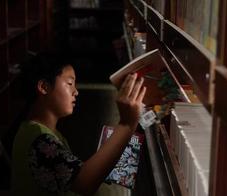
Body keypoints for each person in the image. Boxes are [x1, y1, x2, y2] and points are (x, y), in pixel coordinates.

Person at [11, 53, 146, 196]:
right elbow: (84, 184)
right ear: (44, 87)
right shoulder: (39, 140)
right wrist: (127, 124)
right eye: (70, 84)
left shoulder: (40, 131)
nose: (76, 92)